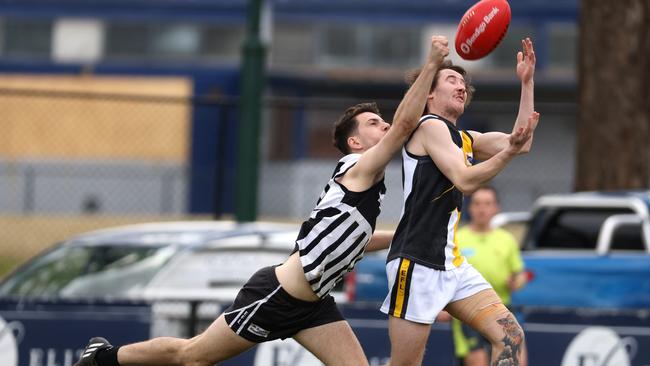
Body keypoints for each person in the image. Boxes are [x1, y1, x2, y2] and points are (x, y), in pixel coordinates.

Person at [73, 35, 450, 366]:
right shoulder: (357, 165)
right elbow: (403, 127)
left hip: (314, 304)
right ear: (354, 143)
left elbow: (354, 242)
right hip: (279, 293)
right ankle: (104, 358)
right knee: (192, 355)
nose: (383, 125)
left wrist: (400, 235)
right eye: (373, 123)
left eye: (381, 121)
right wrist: (430, 67)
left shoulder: (369, 186)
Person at [381, 38, 538, 366]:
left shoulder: (466, 139)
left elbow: (519, 143)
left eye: (464, 83)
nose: (461, 86)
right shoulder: (428, 126)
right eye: (451, 80)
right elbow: (465, 180)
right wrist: (509, 152)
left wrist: (527, 82)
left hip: (451, 263)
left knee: (510, 336)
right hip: (417, 261)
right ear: (430, 95)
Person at [451, 186, 528, 366]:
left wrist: (516, 282)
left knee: (517, 359)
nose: (482, 209)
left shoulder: (506, 239)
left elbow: (520, 274)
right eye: (477, 204)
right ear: (469, 208)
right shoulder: (456, 238)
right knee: (477, 361)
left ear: (496, 208)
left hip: (502, 308)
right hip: (469, 311)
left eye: (487, 204)